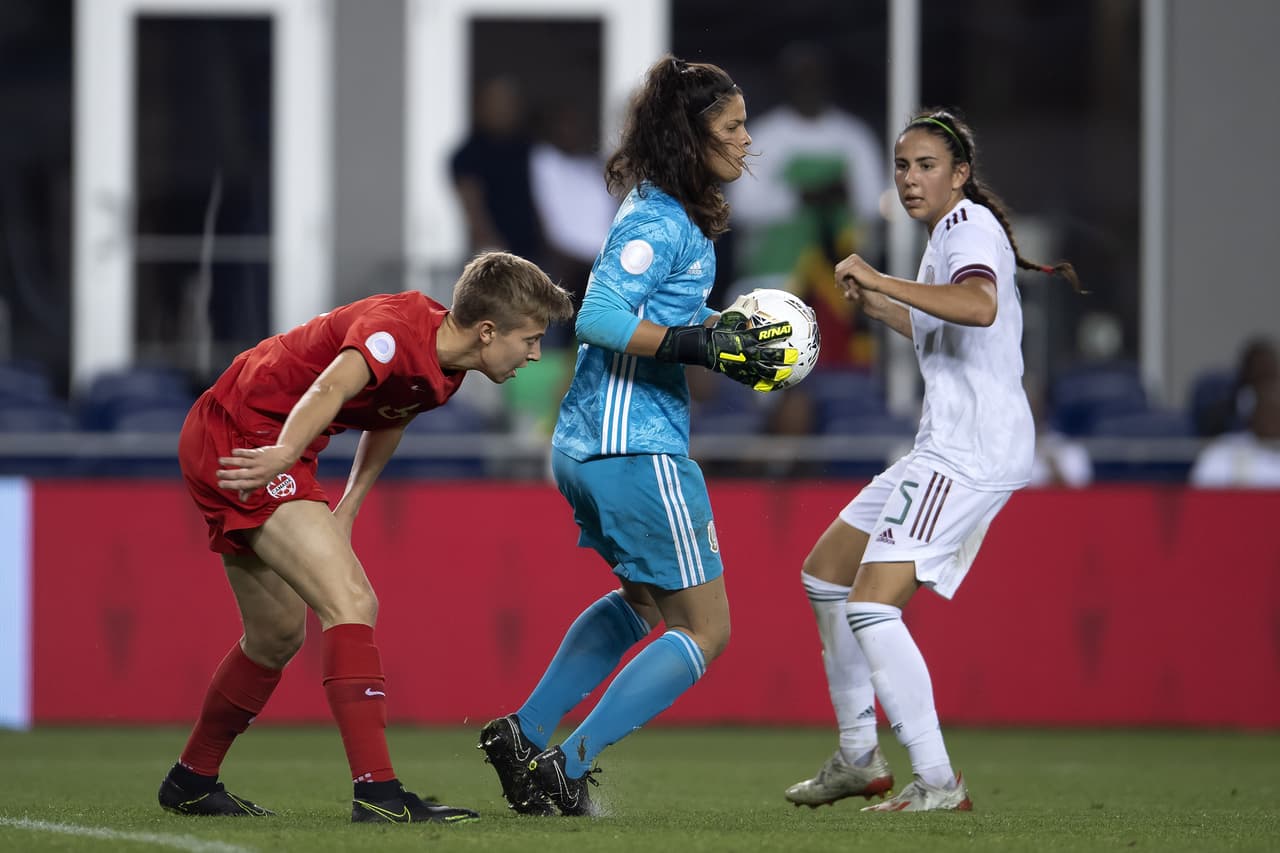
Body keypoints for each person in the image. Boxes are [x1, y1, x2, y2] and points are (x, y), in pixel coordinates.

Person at [476, 55, 797, 817]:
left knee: (648, 604)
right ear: (691, 136)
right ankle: (568, 763)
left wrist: (724, 334)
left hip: (591, 441)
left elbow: (656, 316)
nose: (748, 140)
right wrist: (698, 347)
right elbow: (595, 315)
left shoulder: (663, 209)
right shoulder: (658, 219)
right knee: (706, 629)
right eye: (733, 126)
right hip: (632, 444)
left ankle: (522, 734)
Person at [157, 252, 573, 823]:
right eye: (530, 338)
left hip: (266, 440)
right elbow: (331, 387)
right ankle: (377, 795)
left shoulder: (445, 370)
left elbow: (390, 415)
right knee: (351, 601)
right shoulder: (393, 331)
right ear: (487, 331)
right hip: (244, 436)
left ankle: (191, 779)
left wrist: (349, 505)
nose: (534, 353)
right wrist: (281, 452)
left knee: (276, 635)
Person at [784, 109, 1082, 812]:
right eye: (901, 165)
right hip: (944, 442)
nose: (911, 178)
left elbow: (977, 306)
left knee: (871, 604)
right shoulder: (946, 236)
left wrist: (881, 278)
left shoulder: (969, 228)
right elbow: (943, 325)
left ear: (960, 174)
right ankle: (858, 755)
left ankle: (939, 780)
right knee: (826, 572)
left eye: (925, 165)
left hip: (970, 447)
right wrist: (880, 305)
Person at [450, 76, 544, 264]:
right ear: (481, 106)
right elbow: (472, 205)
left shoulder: (530, 150)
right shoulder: (468, 155)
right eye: (496, 103)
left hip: (534, 249)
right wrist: (492, 250)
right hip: (494, 251)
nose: (503, 110)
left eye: (508, 103)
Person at [1189, 378, 1280, 488]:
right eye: (1267, 410)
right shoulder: (1223, 451)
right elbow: (1202, 494)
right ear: (1253, 414)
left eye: (1276, 411)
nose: (1272, 418)